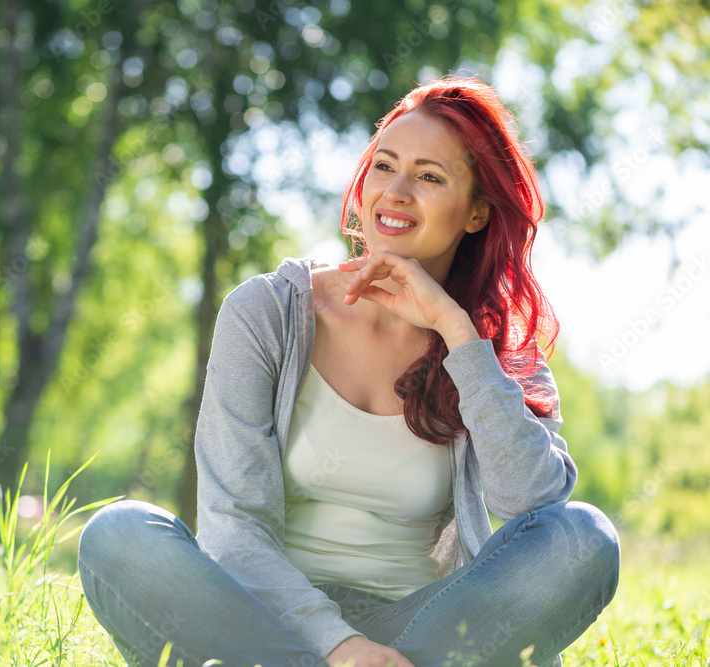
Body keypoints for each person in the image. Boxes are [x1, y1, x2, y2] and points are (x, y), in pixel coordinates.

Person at [77, 75, 620, 667]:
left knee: (581, 536)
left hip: (419, 628)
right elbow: (232, 528)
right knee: (119, 534)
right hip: (264, 619)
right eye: (384, 166)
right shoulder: (268, 313)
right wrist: (336, 646)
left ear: (477, 213)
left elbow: (532, 504)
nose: (396, 192)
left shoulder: (487, 344)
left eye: (431, 177)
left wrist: (455, 330)